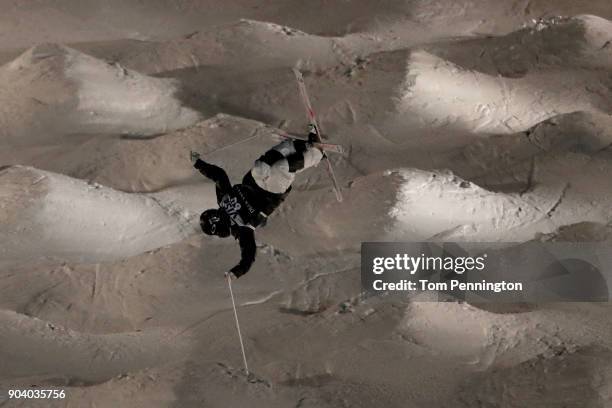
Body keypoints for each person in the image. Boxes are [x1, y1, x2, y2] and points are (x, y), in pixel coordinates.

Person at [191, 125, 323, 279]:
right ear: (217, 223)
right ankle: (317, 153)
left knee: (261, 166)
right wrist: (237, 272)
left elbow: (219, 176)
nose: (219, 211)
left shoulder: (223, 200)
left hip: (254, 181)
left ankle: (295, 146)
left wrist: (198, 164)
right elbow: (248, 254)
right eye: (215, 216)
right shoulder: (241, 230)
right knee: (281, 168)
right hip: (270, 194)